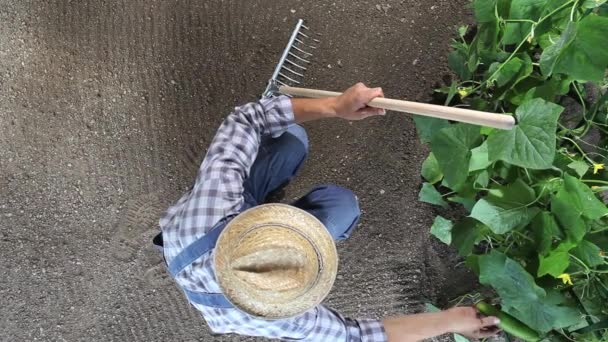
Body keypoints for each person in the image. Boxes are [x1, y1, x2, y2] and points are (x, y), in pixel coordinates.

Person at [156, 82, 501, 341]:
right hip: (208, 242)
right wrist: (452, 319)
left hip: (194, 238)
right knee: (341, 205)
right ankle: (272, 197)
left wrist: (335, 106)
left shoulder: (215, 203)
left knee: (293, 139)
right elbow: (358, 337)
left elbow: (248, 118)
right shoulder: (280, 319)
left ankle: (264, 192)